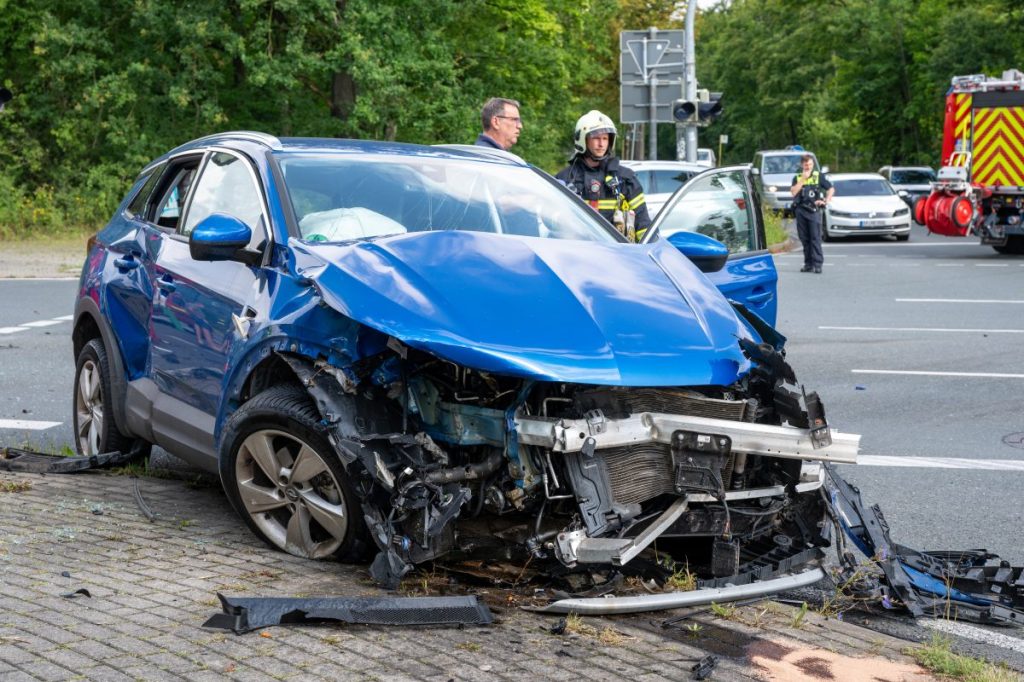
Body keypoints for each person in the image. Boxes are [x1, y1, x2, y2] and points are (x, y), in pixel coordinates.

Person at [555, 110, 650, 241]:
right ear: (582, 140)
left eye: (605, 138)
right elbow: (551, 222)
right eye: (596, 138)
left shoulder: (625, 179)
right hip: (577, 254)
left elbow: (643, 223)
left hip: (617, 255)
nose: (601, 144)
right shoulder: (564, 179)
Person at [790, 154, 833, 273]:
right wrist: (803, 179)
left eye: (809, 164)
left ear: (813, 164)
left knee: (815, 238)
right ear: (801, 165)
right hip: (801, 210)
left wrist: (826, 200)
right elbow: (793, 193)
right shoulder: (797, 177)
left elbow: (830, 189)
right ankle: (808, 264)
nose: (807, 166)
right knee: (804, 239)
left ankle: (817, 264)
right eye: (805, 164)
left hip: (814, 211)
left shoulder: (818, 176)